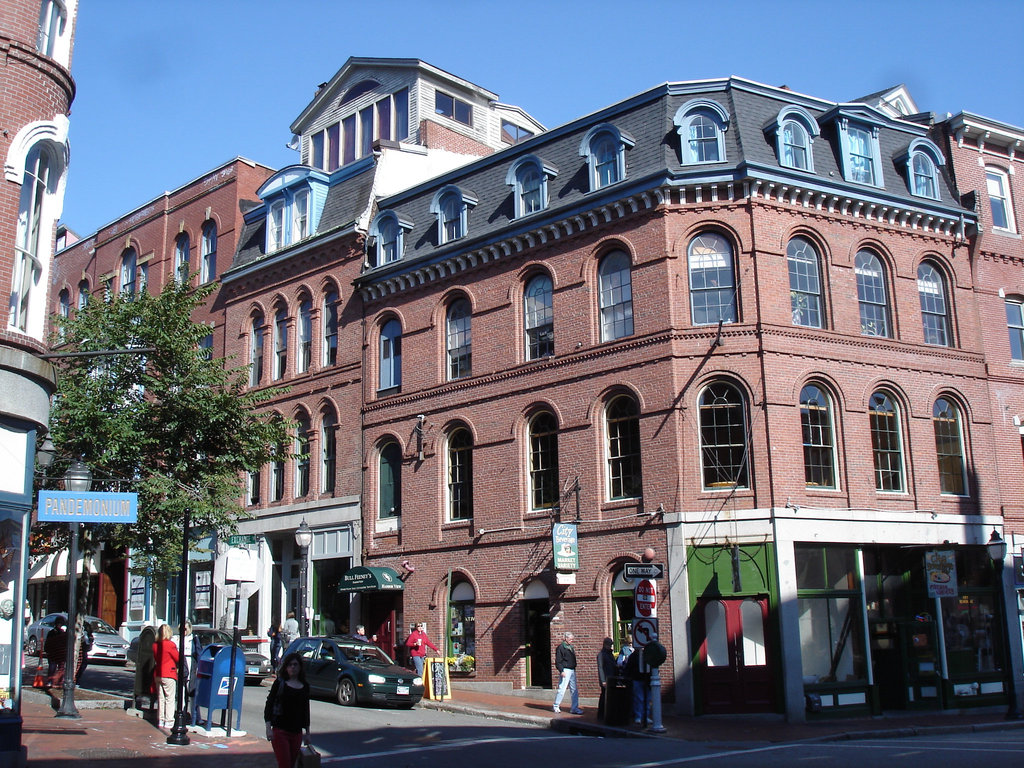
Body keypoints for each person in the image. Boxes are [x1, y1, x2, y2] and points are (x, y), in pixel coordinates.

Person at [264, 652, 311, 768]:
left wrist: (308, 733)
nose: (293, 667)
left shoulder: (305, 686)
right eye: (290, 665)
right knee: (284, 764)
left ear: (300, 667)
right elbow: (269, 704)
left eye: (295, 665)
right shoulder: (280, 683)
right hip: (280, 731)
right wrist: (268, 728)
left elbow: (305, 710)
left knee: (291, 763)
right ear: (285, 668)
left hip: (296, 732)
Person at [152, 623, 180, 730]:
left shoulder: (155, 645)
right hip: (169, 673)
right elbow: (177, 658)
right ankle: (169, 720)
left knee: (161, 698)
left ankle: (161, 719)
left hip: (158, 673)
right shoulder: (170, 644)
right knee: (170, 698)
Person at [553, 631, 583, 714]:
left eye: (572, 639)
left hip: (572, 669)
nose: (571, 641)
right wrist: (561, 670)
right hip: (565, 669)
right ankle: (556, 705)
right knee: (562, 688)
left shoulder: (571, 647)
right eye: (570, 639)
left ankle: (574, 708)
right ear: (566, 638)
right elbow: (558, 660)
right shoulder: (561, 647)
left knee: (574, 690)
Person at [43, 616, 67, 689]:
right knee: (56, 667)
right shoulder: (60, 633)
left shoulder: (53, 633)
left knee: (56, 667)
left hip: (55, 653)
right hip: (56, 653)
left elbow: (47, 643)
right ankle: (55, 682)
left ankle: (55, 682)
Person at [596, 637, 617, 719]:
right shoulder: (601, 654)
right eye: (609, 645)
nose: (610, 647)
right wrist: (603, 681)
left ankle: (608, 712)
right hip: (606, 678)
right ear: (605, 645)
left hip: (611, 677)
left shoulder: (609, 654)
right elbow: (600, 668)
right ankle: (601, 714)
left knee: (609, 696)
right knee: (604, 696)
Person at [75, 620, 94, 684]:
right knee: (77, 664)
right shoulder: (77, 632)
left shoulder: (88, 635)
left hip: (83, 650)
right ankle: (75, 678)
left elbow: (89, 643)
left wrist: (89, 641)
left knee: (83, 664)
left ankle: (77, 678)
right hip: (77, 650)